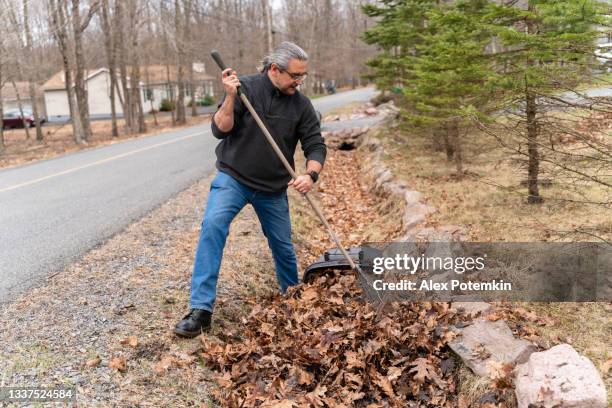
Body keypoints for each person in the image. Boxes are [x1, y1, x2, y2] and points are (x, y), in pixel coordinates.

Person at [174, 42, 327, 338]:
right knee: (213, 226)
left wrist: (310, 174)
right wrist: (230, 98)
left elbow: (316, 145)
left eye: (303, 76)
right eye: (295, 75)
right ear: (274, 69)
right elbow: (220, 128)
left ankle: (292, 298)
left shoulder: (301, 105)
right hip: (234, 178)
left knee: (283, 245)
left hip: (272, 188)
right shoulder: (244, 88)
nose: (299, 82)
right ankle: (200, 311)